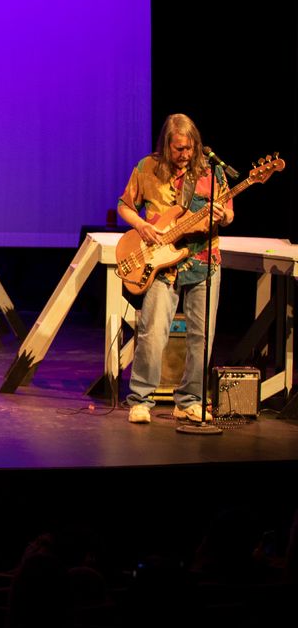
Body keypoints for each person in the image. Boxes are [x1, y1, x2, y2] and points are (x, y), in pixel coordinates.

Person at [118, 113, 233, 424]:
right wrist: (142, 226)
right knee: (153, 334)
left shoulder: (211, 171)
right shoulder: (147, 168)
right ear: (166, 145)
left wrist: (223, 216)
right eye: (179, 149)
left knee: (201, 337)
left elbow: (229, 214)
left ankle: (190, 400)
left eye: (190, 148)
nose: (185, 154)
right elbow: (124, 205)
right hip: (160, 264)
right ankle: (141, 399)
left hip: (204, 260)